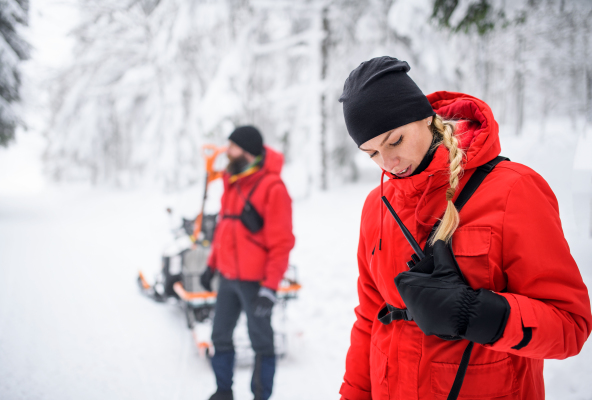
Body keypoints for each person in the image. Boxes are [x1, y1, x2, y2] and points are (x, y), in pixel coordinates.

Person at [337, 56, 592, 400]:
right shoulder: (377, 205)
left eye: (394, 141)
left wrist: (478, 313)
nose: (388, 163)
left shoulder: (513, 191)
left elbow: (570, 326)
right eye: (372, 153)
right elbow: (370, 318)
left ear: (426, 118)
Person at [200, 125, 295, 400]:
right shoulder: (233, 181)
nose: (227, 152)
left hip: (256, 282)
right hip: (228, 278)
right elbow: (223, 229)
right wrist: (211, 265)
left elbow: (282, 243)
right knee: (220, 336)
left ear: (248, 151)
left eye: (232, 147)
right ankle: (223, 391)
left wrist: (270, 287)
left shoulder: (273, 188)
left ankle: (260, 396)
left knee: (261, 342)